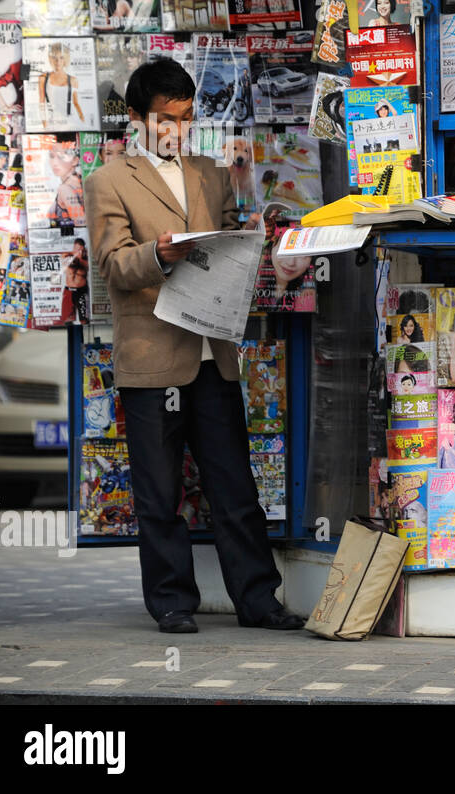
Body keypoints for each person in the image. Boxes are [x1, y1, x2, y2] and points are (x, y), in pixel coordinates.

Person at [82, 59, 302, 634]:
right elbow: (111, 264)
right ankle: (172, 602)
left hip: (212, 353)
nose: (175, 130)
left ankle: (258, 600)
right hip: (153, 360)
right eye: (163, 119)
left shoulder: (209, 172)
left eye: (184, 119)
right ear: (136, 118)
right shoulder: (109, 180)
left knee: (234, 485)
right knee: (159, 493)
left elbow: (229, 241)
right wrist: (158, 253)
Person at [36, 42, 91, 130]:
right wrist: (45, 125)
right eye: (54, 57)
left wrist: (83, 120)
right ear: (50, 58)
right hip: (52, 123)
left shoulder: (73, 80)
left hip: (71, 123)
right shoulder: (43, 78)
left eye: (61, 58)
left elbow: (76, 103)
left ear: (65, 59)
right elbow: (41, 103)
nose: (58, 61)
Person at [48, 140, 85, 227]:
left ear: (75, 160)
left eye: (61, 156)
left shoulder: (65, 188)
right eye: (52, 156)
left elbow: (81, 222)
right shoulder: (80, 179)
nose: (55, 163)